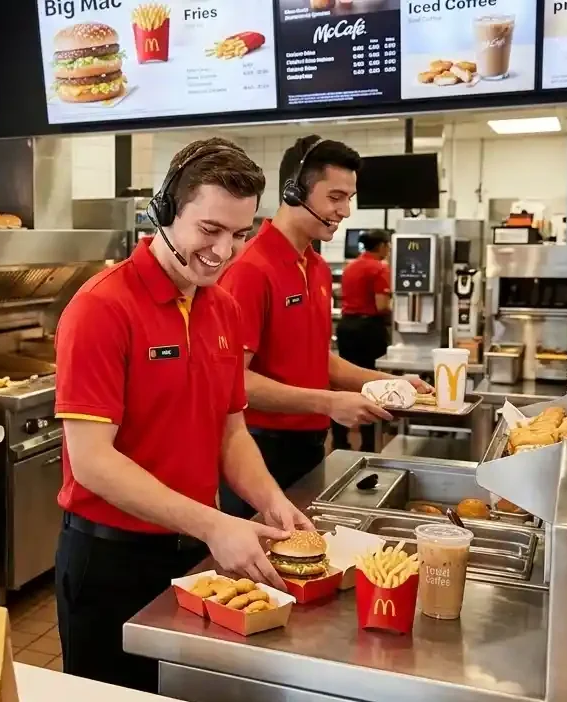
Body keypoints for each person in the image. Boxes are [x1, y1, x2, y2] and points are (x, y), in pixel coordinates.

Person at [54, 138, 313, 693]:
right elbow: (93, 461)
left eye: (240, 234)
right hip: (110, 561)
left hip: (194, 554)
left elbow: (230, 429)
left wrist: (270, 500)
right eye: (209, 230)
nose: (224, 251)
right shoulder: (102, 307)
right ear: (166, 211)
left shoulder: (222, 306)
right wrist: (216, 523)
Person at [218, 136, 430, 517]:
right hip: (259, 450)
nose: (346, 210)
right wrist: (329, 403)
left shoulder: (313, 265)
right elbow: (234, 381)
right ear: (294, 192)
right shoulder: (250, 269)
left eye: (349, 198)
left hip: (310, 443)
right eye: (335, 197)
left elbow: (317, 360)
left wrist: (381, 382)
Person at [333, 230, 393, 451]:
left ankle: (340, 440)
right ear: (381, 246)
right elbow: (382, 305)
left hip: (347, 327)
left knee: (343, 382)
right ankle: (369, 443)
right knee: (371, 386)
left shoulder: (351, 266)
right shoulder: (379, 268)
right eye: (387, 245)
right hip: (368, 329)